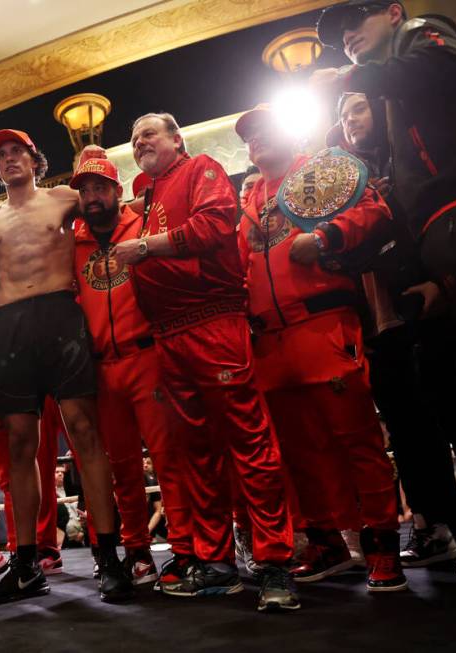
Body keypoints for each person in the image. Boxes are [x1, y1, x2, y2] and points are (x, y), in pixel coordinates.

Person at [313, 0, 456, 621]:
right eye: (339, 38)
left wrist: (351, 79)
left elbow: (439, 66)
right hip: (450, 234)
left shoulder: (426, 36)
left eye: (356, 21)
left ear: (393, 11)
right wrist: (432, 273)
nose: (347, 39)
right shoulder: (391, 92)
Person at [111, 112, 297, 612]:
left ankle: (275, 564)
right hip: (169, 335)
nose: (139, 142)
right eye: (133, 138)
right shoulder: (147, 194)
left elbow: (216, 224)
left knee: (248, 441)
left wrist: (146, 247)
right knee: (197, 451)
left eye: (148, 133)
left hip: (213, 322)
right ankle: (216, 564)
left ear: (176, 139)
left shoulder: (202, 170)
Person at [235, 104, 407, 592]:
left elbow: (375, 209)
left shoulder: (320, 172)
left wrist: (326, 235)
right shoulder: (250, 202)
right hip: (269, 342)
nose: (258, 141)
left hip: (324, 324)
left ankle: (381, 547)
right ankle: (327, 542)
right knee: (297, 451)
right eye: (250, 137)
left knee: (358, 441)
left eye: (266, 130)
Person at [0, 129, 134, 604]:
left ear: (33, 158)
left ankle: (108, 556)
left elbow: (115, 213)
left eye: (17, 150)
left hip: (61, 318)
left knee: (84, 431)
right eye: (1, 154)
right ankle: (26, 563)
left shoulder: (64, 199)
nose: (9, 159)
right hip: (11, 327)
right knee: (20, 443)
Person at [336, 92, 456, 565]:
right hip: (378, 321)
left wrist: (443, 283)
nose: (350, 120)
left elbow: (442, 225)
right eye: (343, 115)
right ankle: (429, 525)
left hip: (431, 306)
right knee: (406, 429)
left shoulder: (412, 161)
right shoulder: (347, 180)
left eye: (357, 108)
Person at [70, 156, 203, 586]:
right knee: (121, 466)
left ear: (116, 190)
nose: (92, 198)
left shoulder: (144, 228)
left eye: (100, 188)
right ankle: (137, 552)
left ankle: (183, 550)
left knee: (168, 459)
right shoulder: (73, 243)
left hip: (147, 356)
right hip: (101, 368)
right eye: (85, 191)